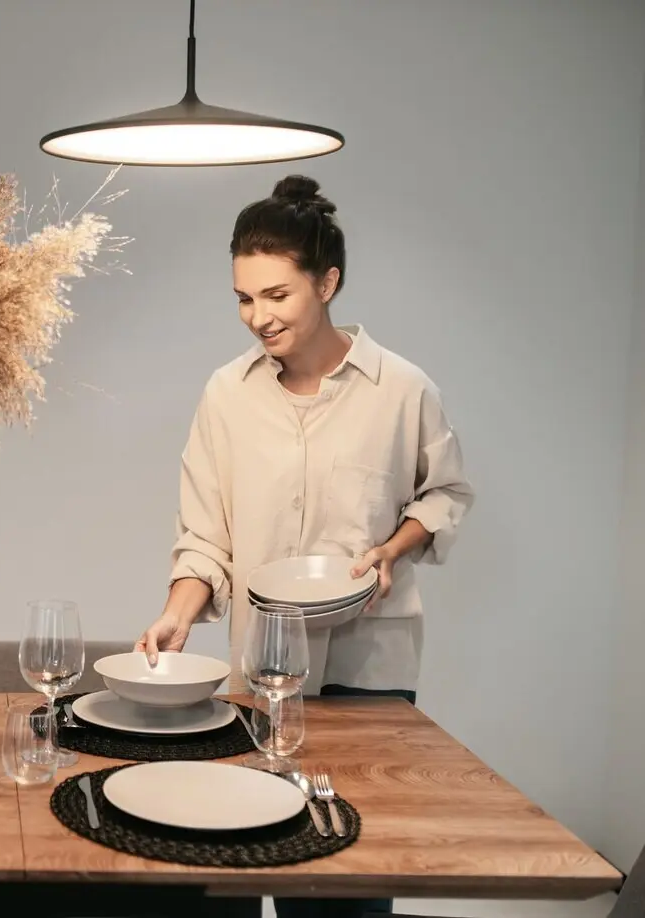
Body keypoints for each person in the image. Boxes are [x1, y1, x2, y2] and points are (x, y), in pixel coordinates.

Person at [134, 175, 474, 918]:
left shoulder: (402, 388)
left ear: (328, 282)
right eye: (244, 299)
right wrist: (178, 613)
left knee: (344, 883)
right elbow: (204, 536)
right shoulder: (227, 394)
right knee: (235, 862)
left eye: (277, 296)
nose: (258, 317)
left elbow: (446, 494)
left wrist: (394, 548)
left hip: (369, 669)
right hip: (263, 669)